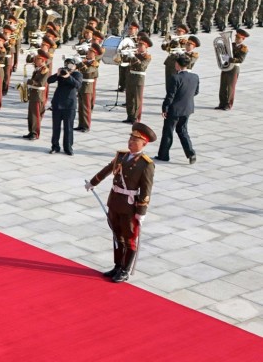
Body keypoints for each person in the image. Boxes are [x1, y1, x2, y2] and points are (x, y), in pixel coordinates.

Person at [86, 123, 157, 283]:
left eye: (135, 140)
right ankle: (117, 266)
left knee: (129, 238)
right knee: (117, 235)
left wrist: (141, 212)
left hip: (130, 206)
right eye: (130, 138)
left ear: (144, 144)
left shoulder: (146, 164)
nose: (131, 142)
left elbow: (146, 189)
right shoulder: (122, 156)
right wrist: (93, 182)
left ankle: (125, 270)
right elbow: (108, 169)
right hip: (115, 201)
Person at [157, 54, 198, 164]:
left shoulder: (175, 78)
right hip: (187, 109)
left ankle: (163, 155)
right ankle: (191, 153)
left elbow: (170, 96)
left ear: (178, 65)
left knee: (168, 132)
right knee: (183, 130)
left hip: (174, 110)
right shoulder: (195, 77)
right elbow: (196, 92)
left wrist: (165, 108)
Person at [48, 59, 83, 155]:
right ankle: (55, 146)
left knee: (68, 128)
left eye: (72, 65)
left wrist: (68, 76)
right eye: (68, 64)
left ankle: (68, 147)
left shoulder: (77, 74)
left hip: (69, 105)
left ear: (76, 66)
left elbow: (78, 85)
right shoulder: (62, 72)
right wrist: (57, 74)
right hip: (57, 103)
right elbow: (49, 80)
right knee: (56, 127)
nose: (70, 66)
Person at [217, 28, 248, 110]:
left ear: (243, 39)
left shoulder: (243, 48)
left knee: (230, 87)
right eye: (236, 37)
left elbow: (240, 60)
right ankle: (222, 103)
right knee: (223, 86)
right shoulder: (231, 44)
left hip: (234, 68)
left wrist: (229, 59)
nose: (236, 39)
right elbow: (223, 53)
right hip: (226, 66)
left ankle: (229, 104)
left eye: (238, 38)